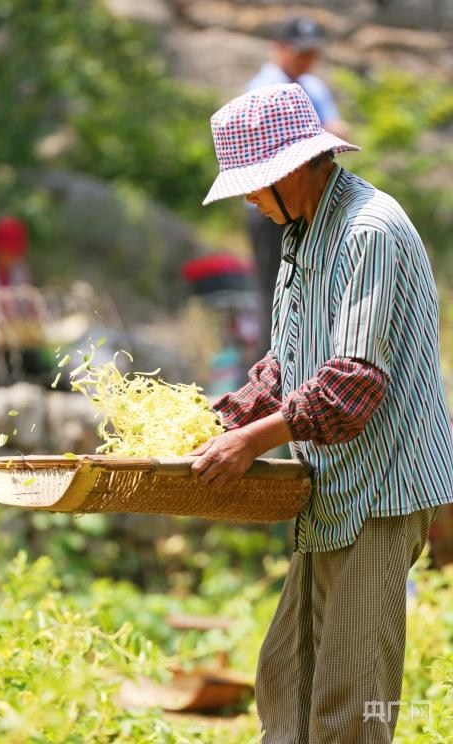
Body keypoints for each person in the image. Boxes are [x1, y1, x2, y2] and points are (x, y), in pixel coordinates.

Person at [192, 83, 453, 742]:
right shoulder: (303, 229)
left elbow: (351, 385)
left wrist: (252, 444)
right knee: (286, 676)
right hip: (334, 484)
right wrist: (228, 419)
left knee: (350, 701)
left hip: (382, 490)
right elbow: (287, 361)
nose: (250, 198)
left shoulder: (369, 231)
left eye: (254, 184)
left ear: (292, 169)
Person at [245, 17, 349, 357]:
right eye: (300, 52)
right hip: (272, 204)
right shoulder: (263, 87)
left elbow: (334, 129)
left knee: (306, 289)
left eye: (312, 53)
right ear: (279, 47)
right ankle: (269, 365)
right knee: (273, 288)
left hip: (305, 202)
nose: (306, 60)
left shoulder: (314, 87)